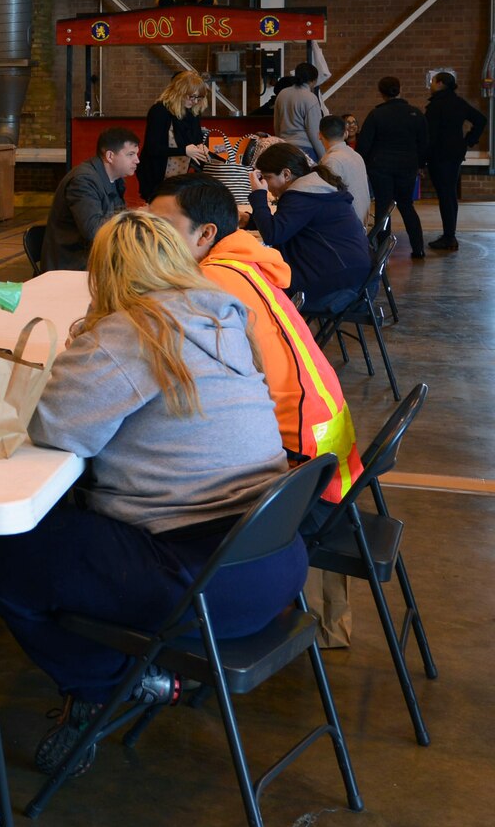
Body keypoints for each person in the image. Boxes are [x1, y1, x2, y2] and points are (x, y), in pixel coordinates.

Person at [0, 209, 302, 777]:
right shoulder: (224, 318)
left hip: (201, 585)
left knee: (8, 558)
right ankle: (128, 670)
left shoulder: (129, 333)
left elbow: (55, 428)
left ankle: (106, 682)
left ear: (103, 273)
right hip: (274, 563)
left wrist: (86, 345)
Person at [149, 174, 365, 645]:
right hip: (328, 439)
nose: (151, 239)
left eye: (162, 228)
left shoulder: (209, 284)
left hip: (294, 461)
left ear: (205, 234)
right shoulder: (243, 264)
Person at [250, 143, 372, 306]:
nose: (266, 184)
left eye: (267, 177)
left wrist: (258, 194)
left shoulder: (301, 194)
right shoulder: (314, 186)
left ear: (286, 174)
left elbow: (273, 234)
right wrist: (250, 219)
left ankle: (275, 330)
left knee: (259, 285)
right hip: (354, 272)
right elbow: (293, 222)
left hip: (338, 282)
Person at [43, 127, 137, 271]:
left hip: (94, 257)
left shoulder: (115, 179)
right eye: (131, 154)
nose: (137, 160)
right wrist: (135, 217)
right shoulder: (83, 180)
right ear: (110, 156)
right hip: (72, 264)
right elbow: (93, 231)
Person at [355, 77, 427, 256]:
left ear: (381, 92)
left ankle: (382, 251)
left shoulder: (376, 115)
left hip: (380, 167)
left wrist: (364, 164)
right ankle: (418, 249)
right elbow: (424, 143)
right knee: (406, 205)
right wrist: (420, 165)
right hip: (407, 166)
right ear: (400, 88)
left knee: (382, 207)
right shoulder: (415, 113)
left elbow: (364, 144)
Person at [424, 70, 486, 250]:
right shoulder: (458, 102)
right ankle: (449, 234)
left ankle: (449, 237)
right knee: (450, 194)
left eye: (433, 82)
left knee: (445, 196)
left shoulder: (437, 105)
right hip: (455, 154)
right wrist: (468, 141)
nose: (431, 85)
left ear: (441, 83)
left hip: (439, 155)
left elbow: (431, 135)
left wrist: (422, 158)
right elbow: (481, 120)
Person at [138, 71, 208, 202]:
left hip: (178, 176)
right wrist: (184, 151)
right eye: (191, 97)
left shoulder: (193, 112)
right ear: (179, 92)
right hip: (155, 176)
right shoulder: (160, 111)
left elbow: (197, 139)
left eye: (199, 98)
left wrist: (201, 148)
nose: (195, 102)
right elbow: (153, 148)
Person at [318, 114, 370, 228]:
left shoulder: (331, 161)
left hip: (348, 228)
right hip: (361, 223)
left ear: (319, 135)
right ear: (345, 134)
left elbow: (325, 200)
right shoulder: (356, 155)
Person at [273, 61, 325, 159]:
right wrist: (323, 156)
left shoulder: (282, 94)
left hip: (284, 148)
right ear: (313, 80)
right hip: (305, 150)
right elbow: (314, 132)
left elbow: (277, 124)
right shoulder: (310, 98)